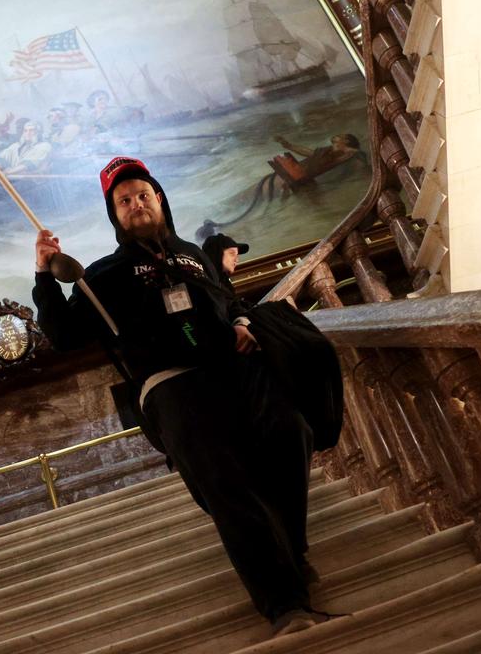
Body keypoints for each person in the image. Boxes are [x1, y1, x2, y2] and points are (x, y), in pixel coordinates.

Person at [32, 157, 328, 637]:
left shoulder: (193, 253)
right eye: (123, 201)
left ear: (160, 199)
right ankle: (285, 603)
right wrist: (45, 275)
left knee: (291, 433)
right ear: (115, 215)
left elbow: (227, 300)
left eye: (142, 195)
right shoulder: (103, 276)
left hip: (237, 369)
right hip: (172, 386)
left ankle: (290, 547)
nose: (135, 204)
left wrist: (242, 322)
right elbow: (64, 335)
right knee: (225, 483)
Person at [202, 233, 250, 320]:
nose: (237, 260)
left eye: (237, 255)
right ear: (217, 254)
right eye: (232, 254)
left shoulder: (224, 282)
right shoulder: (207, 285)